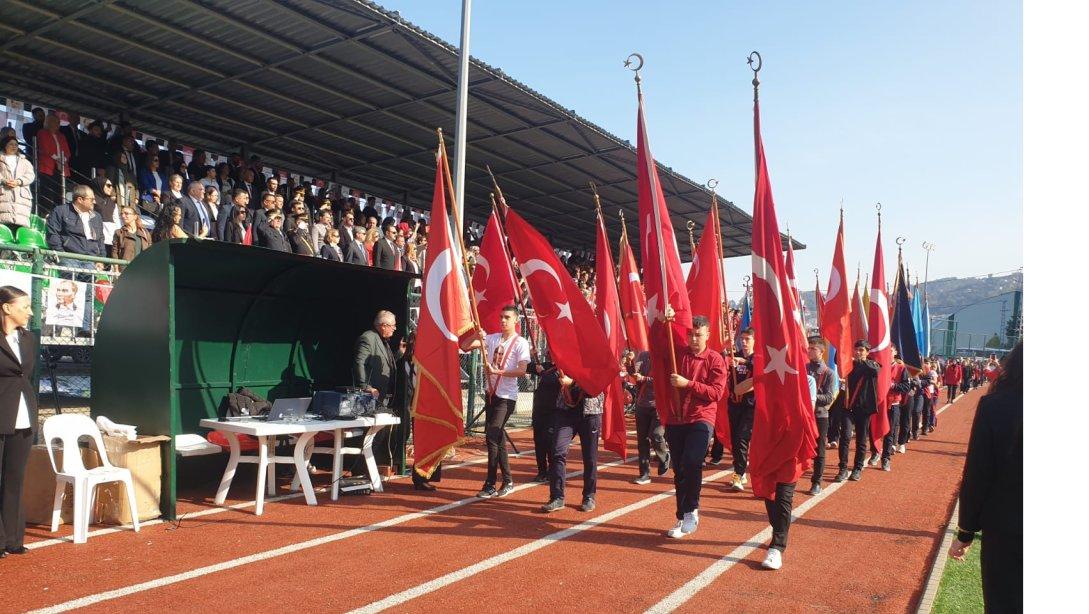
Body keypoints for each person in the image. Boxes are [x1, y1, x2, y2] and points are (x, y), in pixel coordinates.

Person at [948, 342, 1022, 612]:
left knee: (1003, 602)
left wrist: (966, 530)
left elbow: (978, 473)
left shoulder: (994, 405)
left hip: (1004, 525)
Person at [661, 311, 727, 539]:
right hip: (676, 417)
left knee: (692, 461)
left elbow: (717, 393)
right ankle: (682, 515)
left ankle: (691, 510)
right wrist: (665, 320)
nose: (693, 339)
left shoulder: (715, 360)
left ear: (708, 335)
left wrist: (688, 384)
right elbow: (661, 344)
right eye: (690, 335)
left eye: (698, 335)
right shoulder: (679, 353)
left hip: (701, 418)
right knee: (679, 468)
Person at [461, 305, 531, 499]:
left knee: (492, 435)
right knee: (497, 439)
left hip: (506, 397)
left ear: (515, 320)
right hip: (491, 395)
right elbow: (465, 346)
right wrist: (476, 335)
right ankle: (507, 480)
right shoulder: (491, 338)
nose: (502, 320)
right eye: (501, 317)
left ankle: (490, 483)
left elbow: (522, 370)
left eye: (507, 317)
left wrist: (498, 372)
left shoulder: (520, 343)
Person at [0, 286, 37, 558]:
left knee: (15, 479)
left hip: (23, 417)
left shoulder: (28, 339)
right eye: (25, 306)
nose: (30, 312)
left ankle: (13, 538)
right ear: (7, 308)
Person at [541, 375, 604, 513]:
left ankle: (589, 496)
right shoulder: (566, 355)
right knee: (557, 451)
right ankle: (557, 496)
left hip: (590, 411)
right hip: (565, 410)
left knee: (590, 457)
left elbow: (597, 385)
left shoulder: (597, 356)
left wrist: (573, 382)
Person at [836, 340, 881, 482]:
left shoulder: (872, 365)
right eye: (856, 349)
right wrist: (843, 345)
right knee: (845, 437)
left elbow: (876, 370)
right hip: (848, 406)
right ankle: (843, 468)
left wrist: (861, 359)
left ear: (868, 352)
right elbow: (837, 358)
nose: (858, 352)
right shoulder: (850, 363)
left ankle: (857, 468)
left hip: (864, 408)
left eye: (862, 350)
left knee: (861, 440)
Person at [631, 350, 670, 485]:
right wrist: (630, 363)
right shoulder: (643, 355)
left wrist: (644, 379)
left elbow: (665, 380)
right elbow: (634, 373)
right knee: (642, 441)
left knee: (656, 434)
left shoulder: (667, 356)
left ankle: (664, 456)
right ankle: (644, 473)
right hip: (642, 403)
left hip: (660, 404)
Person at [352, 310, 404, 410]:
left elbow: (387, 362)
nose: (395, 328)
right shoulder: (367, 338)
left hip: (383, 396)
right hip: (370, 397)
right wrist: (366, 387)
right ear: (384, 325)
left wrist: (399, 353)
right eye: (393, 325)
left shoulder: (383, 340)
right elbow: (359, 363)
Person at [727, 328, 757, 491]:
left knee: (742, 438)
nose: (744, 342)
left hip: (751, 406)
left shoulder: (758, 358)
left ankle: (738, 473)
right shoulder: (733, 355)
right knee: (735, 440)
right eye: (742, 339)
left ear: (754, 341)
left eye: (748, 339)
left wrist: (744, 362)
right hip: (733, 404)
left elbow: (761, 370)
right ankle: (741, 471)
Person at [806, 337, 837, 495]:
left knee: (819, 450)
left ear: (822, 352)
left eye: (813, 348)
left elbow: (829, 397)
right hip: (803, 415)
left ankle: (816, 481)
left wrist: (811, 395)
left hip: (819, 415)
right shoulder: (803, 368)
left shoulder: (828, 373)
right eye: (809, 348)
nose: (809, 351)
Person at [528, 353, 559, 482]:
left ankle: (553, 471)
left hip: (554, 412)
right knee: (539, 442)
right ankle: (542, 471)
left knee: (551, 443)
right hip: (539, 411)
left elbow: (554, 380)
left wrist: (543, 373)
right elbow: (528, 367)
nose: (548, 353)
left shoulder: (563, 369)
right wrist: (530, 355)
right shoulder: (545, 366)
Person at [880, 352, 911, 471]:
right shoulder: (879, 366)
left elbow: (906, 387)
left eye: (890, 350)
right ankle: (875, 451)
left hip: (893, 404)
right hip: (879, 403)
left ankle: (886, 458)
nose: (889, 353)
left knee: (889, 432)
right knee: (873, 430)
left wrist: (893, 386)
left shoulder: (901, 368)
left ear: (895, 352)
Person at [0, 136, 35, 229]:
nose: (14, 146)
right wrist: (4, 180)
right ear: (5, 145)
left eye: (16, 144)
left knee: (19, 228)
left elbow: (30, 176)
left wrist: (19, 181)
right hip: (4, 195)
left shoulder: (25, 161)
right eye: (11, 144)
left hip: (21, 198)